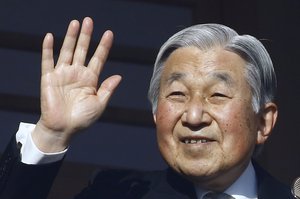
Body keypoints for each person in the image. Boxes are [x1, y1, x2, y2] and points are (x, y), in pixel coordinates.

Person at [0, 17, 294, 199]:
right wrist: (52, 134)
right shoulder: (114, 193)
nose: (193, 117)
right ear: (155, 114)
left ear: (264, 122)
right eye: (177, 94)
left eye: (217, 95)